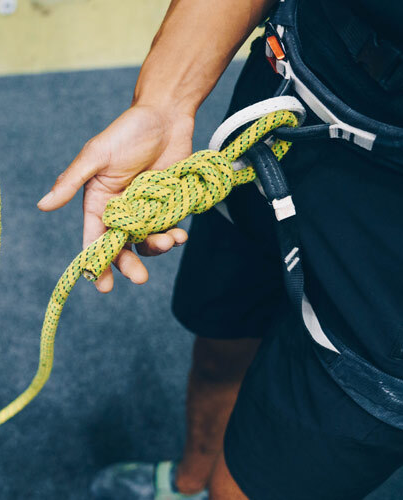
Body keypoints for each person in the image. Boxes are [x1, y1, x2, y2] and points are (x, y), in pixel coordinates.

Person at [38, 0, 403, 498]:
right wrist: (163, 103)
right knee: (220, 337)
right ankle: (189, 484)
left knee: (250, 484)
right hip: (282, 107)